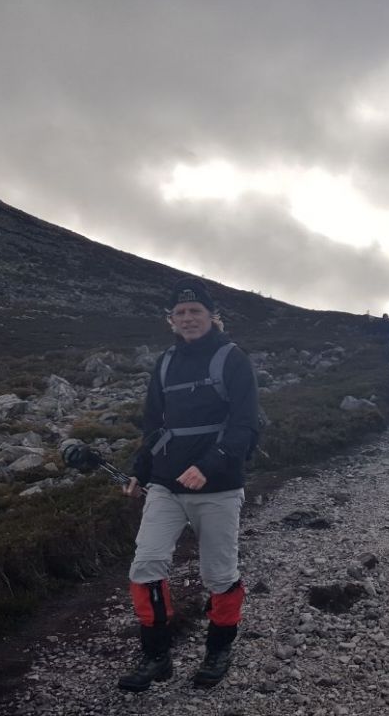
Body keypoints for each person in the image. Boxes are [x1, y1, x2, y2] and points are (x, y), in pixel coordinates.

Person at [120, 277, 261, 692]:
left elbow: (246, 424)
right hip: (165, 486)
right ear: (170, 321)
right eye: (179, 313)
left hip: (218, 488)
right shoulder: (164, 364)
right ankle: (155, 656)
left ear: (212, 316)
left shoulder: (232, 358)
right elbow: (153, 427)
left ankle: (218, 649)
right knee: (146, 566)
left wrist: (210, 464)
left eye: (195, 311)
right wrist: (139, 471)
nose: (187, 318)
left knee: (219, 574)